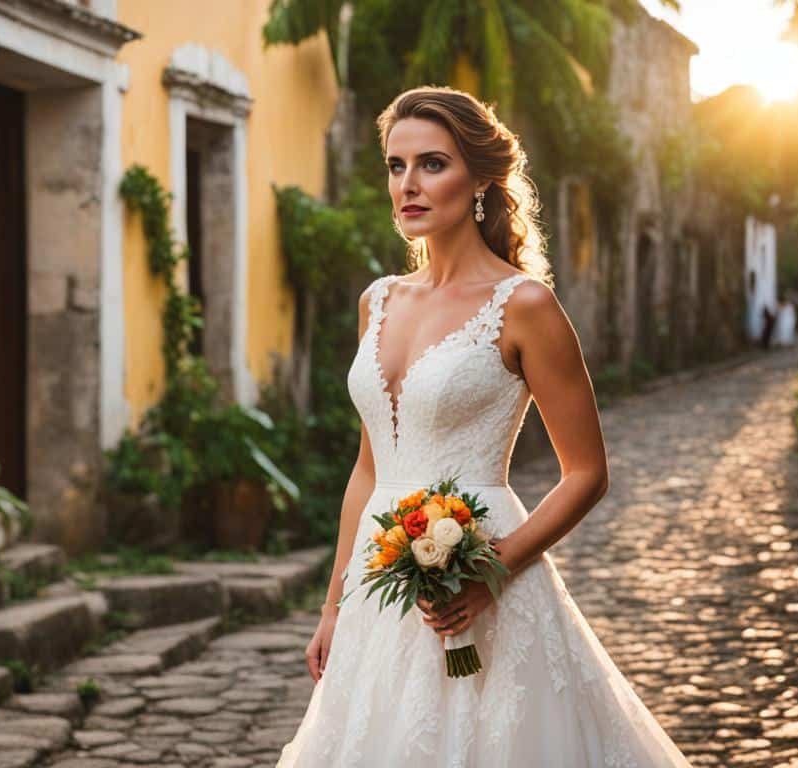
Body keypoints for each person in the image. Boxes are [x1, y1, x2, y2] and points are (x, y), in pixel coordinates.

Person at [275, 86, 692, 767]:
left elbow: (587, 473)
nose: (407, 184)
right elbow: (371, 467)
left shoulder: (523, 305)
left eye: (431, 164)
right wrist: (334, 605)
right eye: (395, 165)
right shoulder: (377, 301)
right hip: (380, 593)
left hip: (487, 579)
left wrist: (490, 572)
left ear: (478, 178)